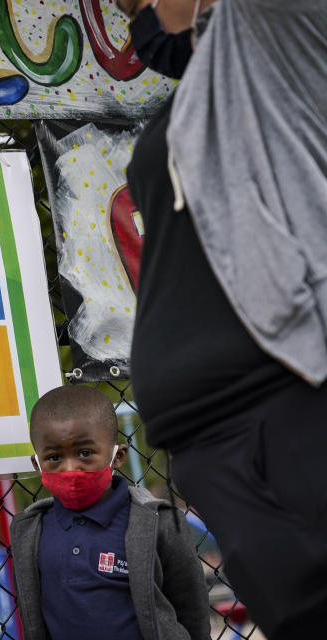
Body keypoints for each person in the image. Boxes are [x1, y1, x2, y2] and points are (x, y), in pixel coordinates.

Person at [118, 0, 327, 636]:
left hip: (291, 398)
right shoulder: (206, 87)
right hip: (209, 440)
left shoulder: (282, 34)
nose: (134, 13)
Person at [10, 386, 209, 640]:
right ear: (37, 464)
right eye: (54, 457)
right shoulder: (30, 533)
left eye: (85, 453)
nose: (70, 468)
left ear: (118, 456)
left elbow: (192, 609)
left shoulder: (160, 522)